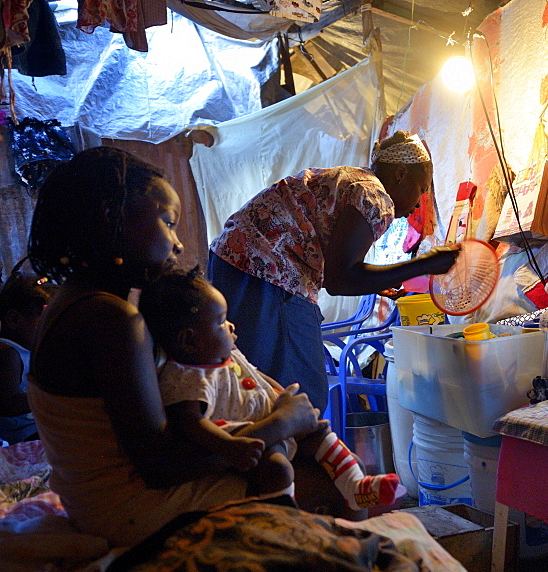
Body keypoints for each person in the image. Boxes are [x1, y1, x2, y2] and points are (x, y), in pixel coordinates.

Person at [26, 147, 351, 548]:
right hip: (127, 507)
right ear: (114, 218)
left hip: (93, 502)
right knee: (321, 485)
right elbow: (160, 466)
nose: (177, 244)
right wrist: (279, 424)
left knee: (298, 461)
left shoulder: (78, 299)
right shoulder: (111, 319)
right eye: (167, 222)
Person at [208, 131, 459, 415]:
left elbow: (336, 269)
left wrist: (376, 279)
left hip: (232, 262)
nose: (419, 202)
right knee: (300, 397)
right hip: (268, 274)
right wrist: (424, 264)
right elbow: (340, 281)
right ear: (400, 174)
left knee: (251, 384)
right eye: (421, 189)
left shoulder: (349, 178)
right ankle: (290, 456)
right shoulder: (375, 196)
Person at [138, 267, 401, 510]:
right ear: (188, 340)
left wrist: (284, 398)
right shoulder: (186, 377)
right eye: (220, 321)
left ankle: (354, 484)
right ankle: (284, 516)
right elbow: (192, 423)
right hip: (256, 441)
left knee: (324, 435)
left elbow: (258, 377)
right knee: (277, 470)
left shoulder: (224, 352)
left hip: (278, 423)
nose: (231, 326)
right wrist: (230, 446)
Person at [0, 270, 50, 444]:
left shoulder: (24, 350)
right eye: (43, 322)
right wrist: (53, 396)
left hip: (38, 430)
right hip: (28, 435)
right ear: (14, 319)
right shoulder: (4, 353)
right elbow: (7, 406)